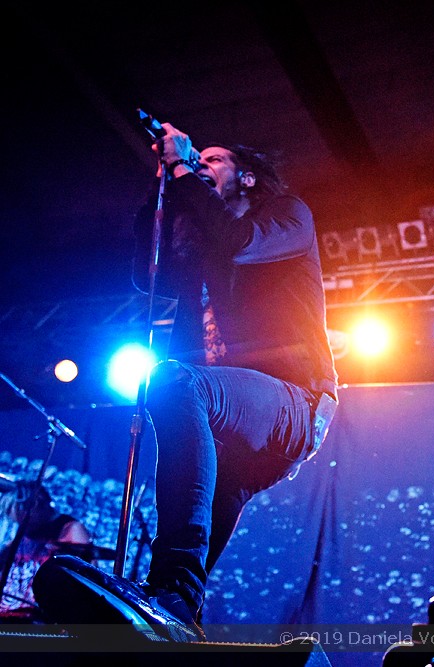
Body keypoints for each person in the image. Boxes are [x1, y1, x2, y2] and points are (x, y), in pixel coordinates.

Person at [34, 122, 339, 641]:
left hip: (295, 401)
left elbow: (239, 242)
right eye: (199, 158)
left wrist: (182, 167)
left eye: (214, 160)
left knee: (174, 380)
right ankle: (173, 607)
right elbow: (146, 273)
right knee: (191, 554)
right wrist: (165, 185)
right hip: (231, 427)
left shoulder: (286, 216)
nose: (202, 164)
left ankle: (170, 591)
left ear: (246, 178)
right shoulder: (204, 251)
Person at [0, 481, 92, 621]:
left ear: (36, 505)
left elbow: (84, 580)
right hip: (9, 612)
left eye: (24, 519)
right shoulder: (24, 534)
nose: (23, 525)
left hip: (40, 617)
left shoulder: (70, 530)